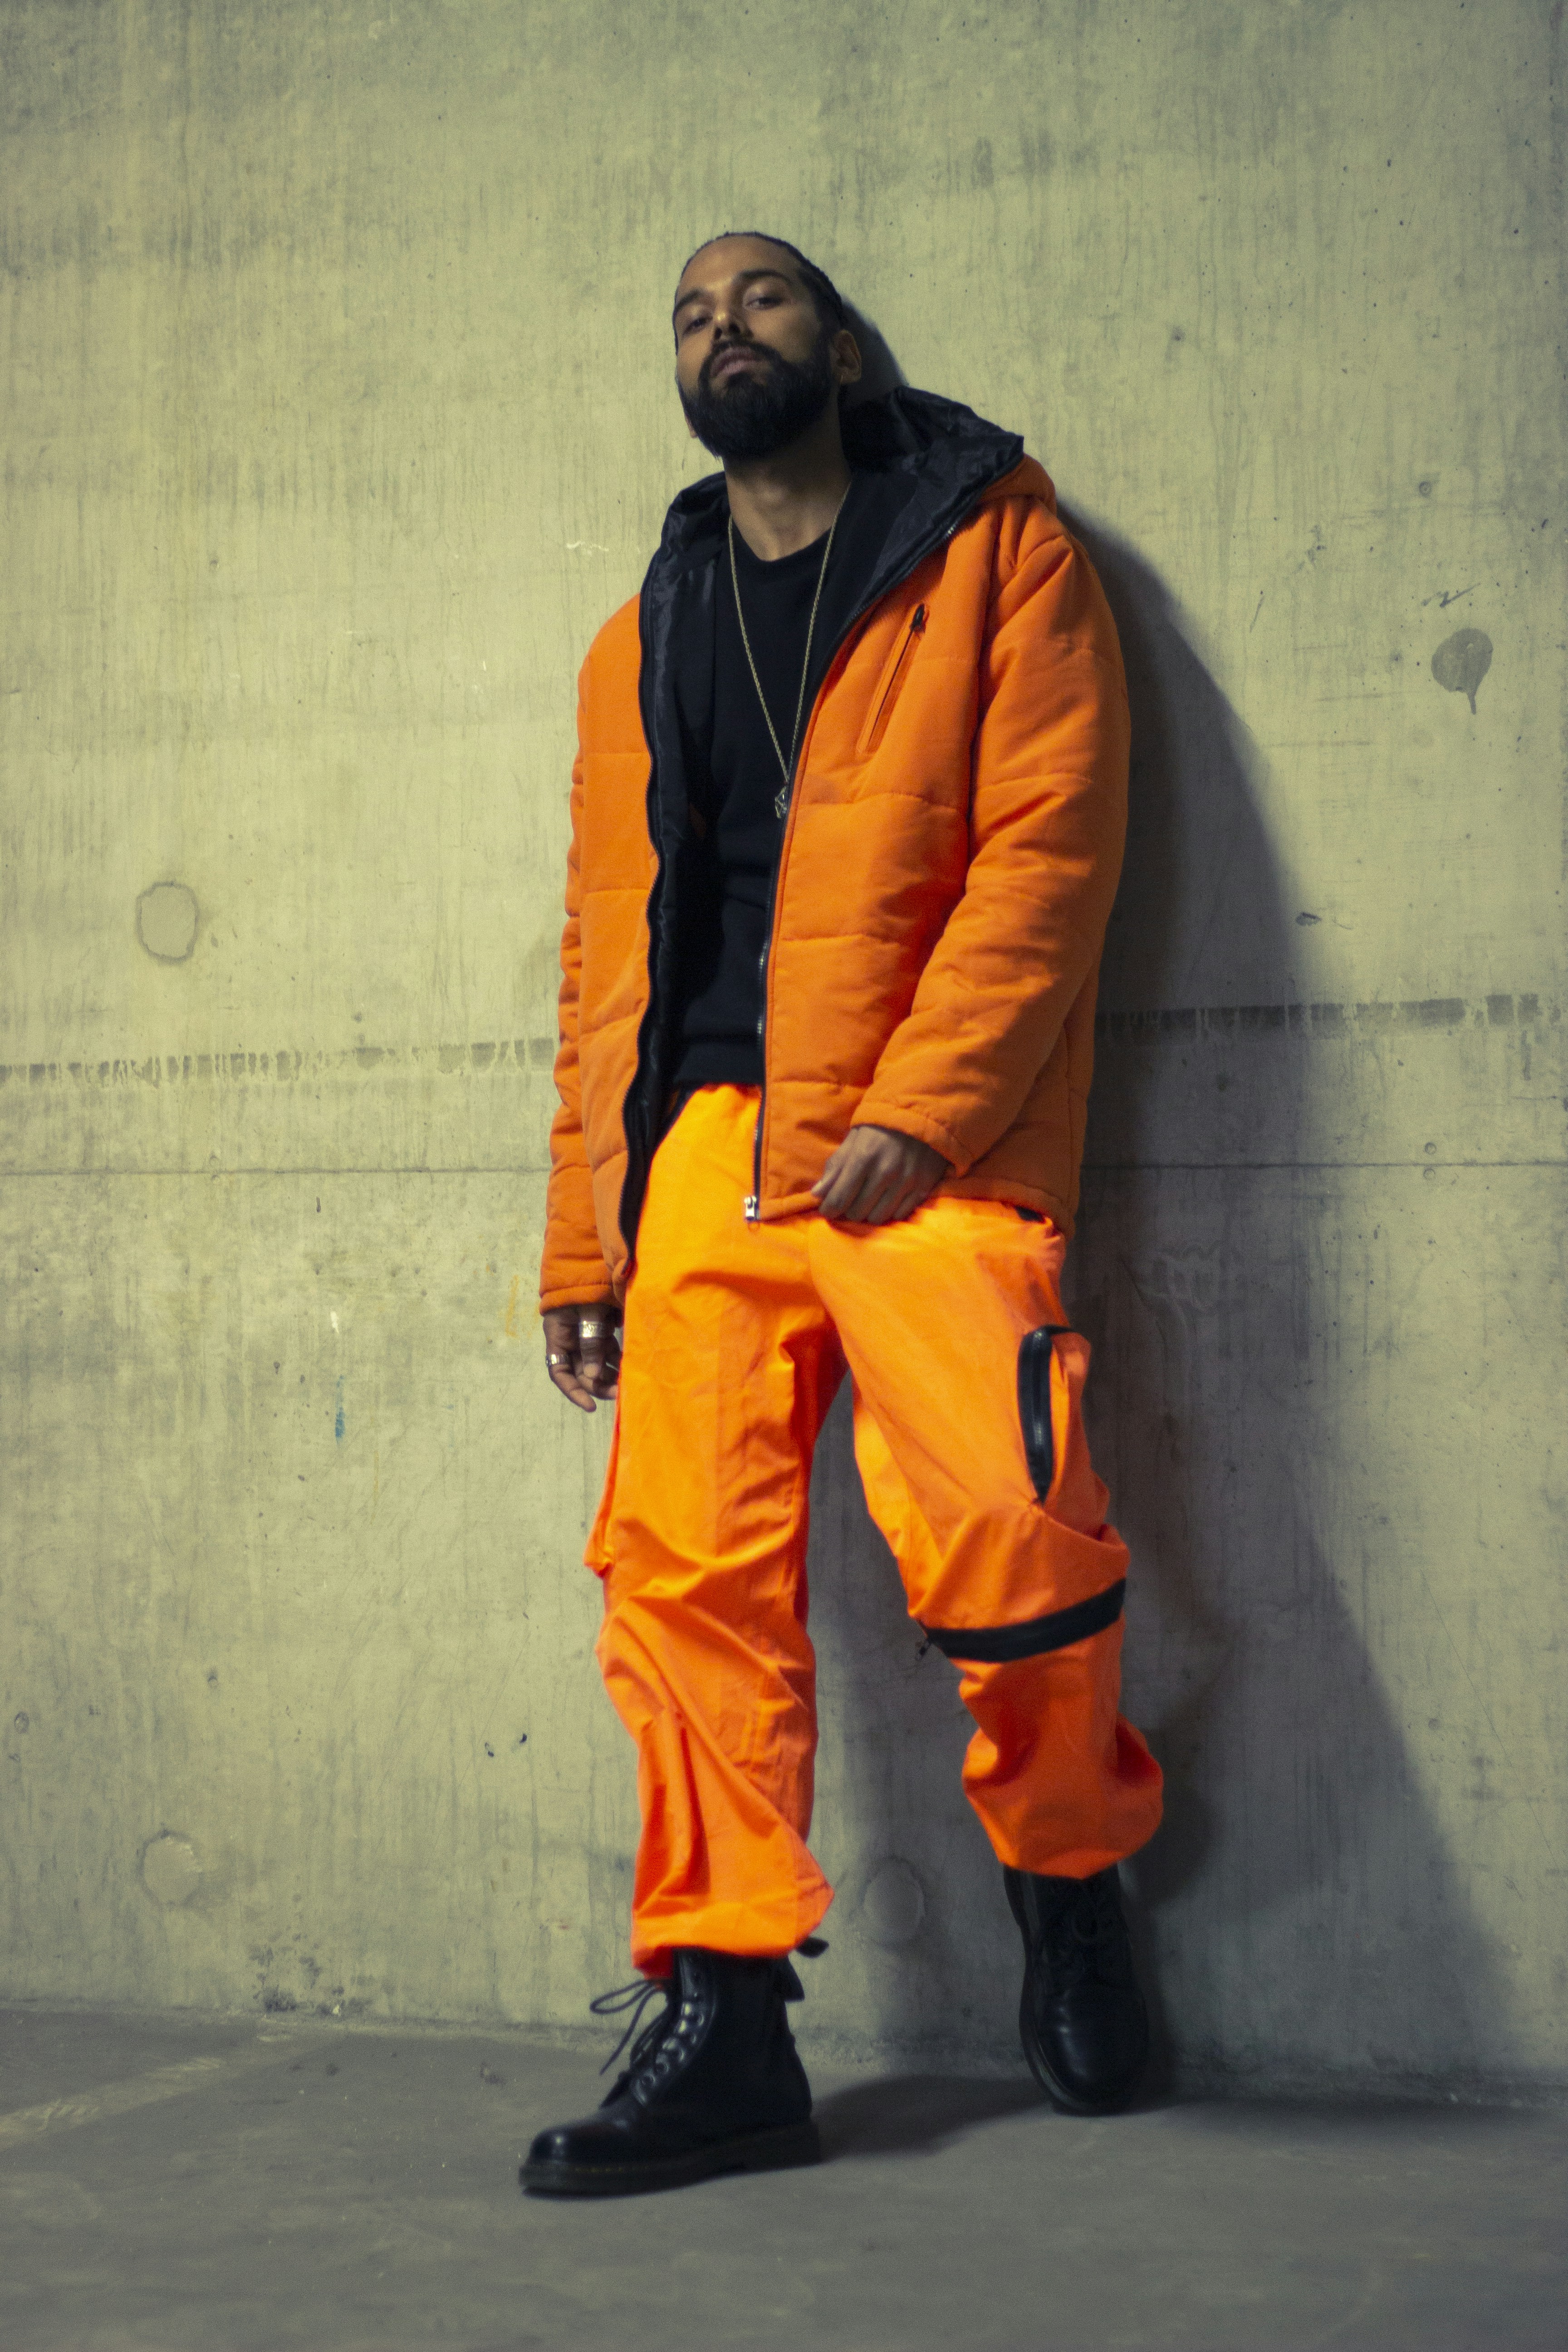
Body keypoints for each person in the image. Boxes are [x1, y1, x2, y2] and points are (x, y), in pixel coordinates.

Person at [521, 233, 1163, 2199]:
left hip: (928, 1154)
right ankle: (724, 2014)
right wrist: (586, 1233)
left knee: (1011, 1542)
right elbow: (604, 963)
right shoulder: (648, 625)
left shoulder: (991, 545)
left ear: (841, 341)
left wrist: (925, 1108)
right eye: (691, 314)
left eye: (763, 298)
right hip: (706, 1151)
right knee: (679, 1582)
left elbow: (1053, 848)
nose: (724, 329)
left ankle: (1072, 1886)